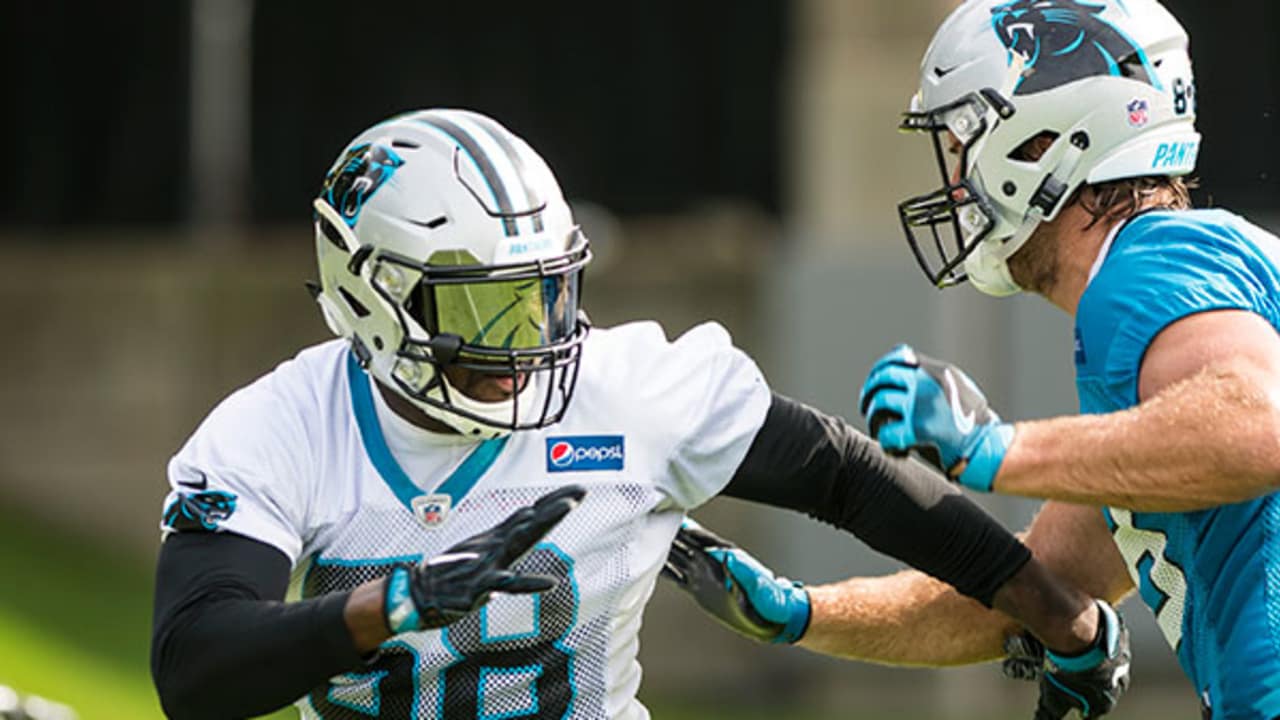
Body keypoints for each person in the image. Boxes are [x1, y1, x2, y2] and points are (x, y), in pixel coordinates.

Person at [150, 108, 1122, 720]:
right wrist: (388, 605)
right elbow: (196, 669)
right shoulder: (279, 429)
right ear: (371, 299)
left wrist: (1055, 612)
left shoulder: (630, 389)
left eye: (542, 295)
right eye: (485, 307)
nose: (528, 340)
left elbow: (845, 477)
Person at [671, 0, 1280, 717]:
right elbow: (1036, 590)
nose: (957, 182)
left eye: (967, 140)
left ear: (1046, 138)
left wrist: (994, 450)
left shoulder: (1144, 270)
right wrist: (803, 615)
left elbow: (1259, 425)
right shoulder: (1187, 271)